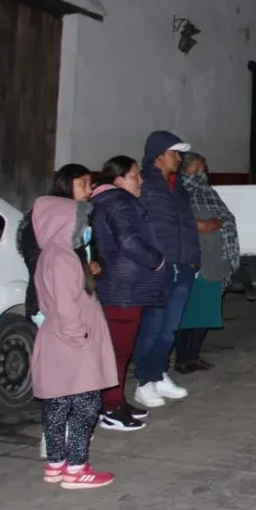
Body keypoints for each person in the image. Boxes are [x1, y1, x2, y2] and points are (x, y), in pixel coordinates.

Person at [30, 195, 118, 489]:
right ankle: (77, 468)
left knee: (57, 403)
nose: (84, 229)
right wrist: (78, 335)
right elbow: (67, 303)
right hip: (72, 339)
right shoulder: (64, 257)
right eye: (80, 223)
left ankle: (56, 463)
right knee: (85, 403)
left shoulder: (50, 254)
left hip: (56, 337)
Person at [90, 156, 165, 432]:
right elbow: (129, 240)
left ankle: (115, 400)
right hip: (125, 286)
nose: (141, 181)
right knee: (118, 351)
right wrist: (157, 259)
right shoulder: (119, 202)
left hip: (120, 284)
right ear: (119, 179)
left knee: (119, 350)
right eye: (135, 175)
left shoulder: (106, 201)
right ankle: (110, 408)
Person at [133, 131, 197, 409]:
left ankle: (159, 374)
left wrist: (194, 260)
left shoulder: (178, 186)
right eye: (175, 153)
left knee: (170, 329)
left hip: (182, 265)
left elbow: (187, 224)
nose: (179, 158)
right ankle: (143, 381)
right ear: (159, 154)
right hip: (159, 267)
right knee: (152, 326)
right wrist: (153, 261)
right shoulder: (145, 183)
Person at [173, 152, 238, 373]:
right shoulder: (176, 194)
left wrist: (215, 222)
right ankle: (182, 359)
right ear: (184, 170)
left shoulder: (209, 193)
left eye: (203, 170)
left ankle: (194, 356)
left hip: (214, 261)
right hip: (193, 262)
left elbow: (227, 217)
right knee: (189, 313)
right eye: (196, 169)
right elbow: (173, 222)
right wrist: (195, 224)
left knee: (207, 313)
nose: (200, 174)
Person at [17, 164, 99, 328]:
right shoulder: (43, 219)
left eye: (90, 184)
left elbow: (91, 249)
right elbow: (37, 262)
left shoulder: (82, 216)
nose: (89, 190)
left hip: (80, 298)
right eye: (82, 184)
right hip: (51, 302)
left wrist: (97, 264)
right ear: (64, 185)